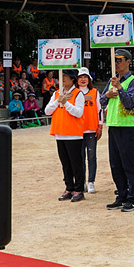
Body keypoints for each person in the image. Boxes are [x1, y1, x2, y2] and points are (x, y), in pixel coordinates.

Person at [99, 48, 134, 212]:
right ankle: (122, 196)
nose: (117, 63)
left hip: (128, 128)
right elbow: (101, 100)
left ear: (128, 61)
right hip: (114, 126)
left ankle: (133, 199)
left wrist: (119, 89)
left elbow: (130, 102)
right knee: (115, 165)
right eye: (115, 60)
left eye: (119, 60)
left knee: (129, 165)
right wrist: (108, 94)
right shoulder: (113, 80)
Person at [46, 69, 87, 203]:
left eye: (64, 77)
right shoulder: (57, 93)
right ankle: (69, 188)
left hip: (73, 134)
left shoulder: (78, 93)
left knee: (76, 164)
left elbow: (78, 113)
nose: (61, 79)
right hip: (60, 133)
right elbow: (47, 111)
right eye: (61, 77)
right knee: (65, 164)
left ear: (72, 79)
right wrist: (58, 101)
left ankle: (79, 189)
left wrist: (66, 103)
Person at [76, 68, 102, 194]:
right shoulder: (74, 93)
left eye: (85, 77)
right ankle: (82, 182)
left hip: (91, 128)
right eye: (80, 77)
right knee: (79, 157)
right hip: (77, 129)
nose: (83, 79)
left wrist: (100, 125)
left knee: (91, 157)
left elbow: (99, 110)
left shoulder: (95, 92)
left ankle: (91, 181)